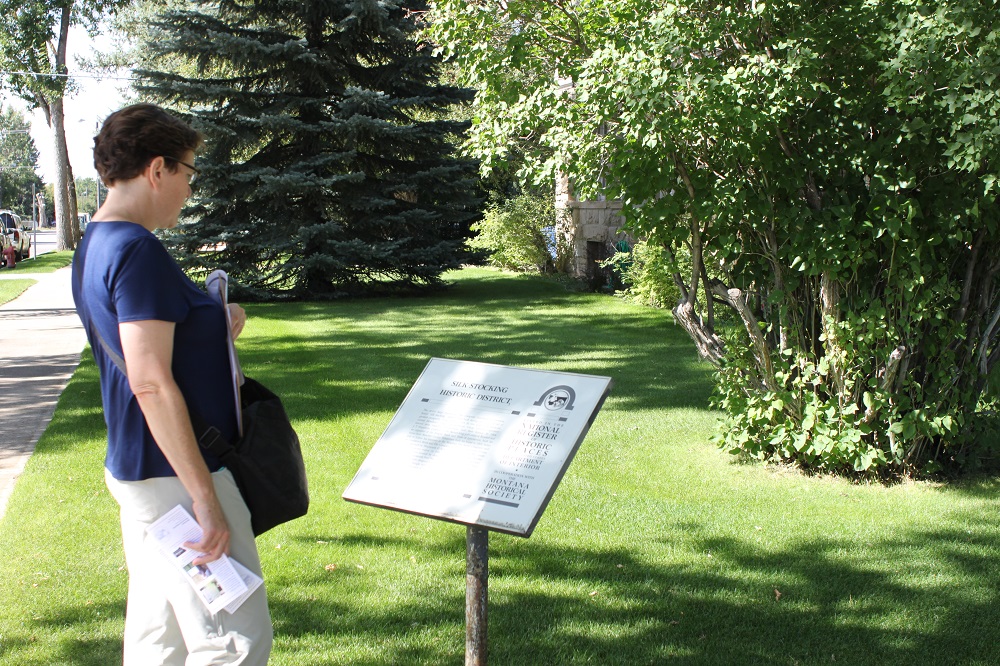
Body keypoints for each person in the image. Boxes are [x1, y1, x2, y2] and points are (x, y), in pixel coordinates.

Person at [71, 103, 272, 665]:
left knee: (159, 638)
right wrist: (205, 500)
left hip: (139, 471)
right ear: (157, 169)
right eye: (187, 172)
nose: (189, 187)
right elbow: (150, 380)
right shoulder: (136, 250)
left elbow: (150, 339)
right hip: (177, 479)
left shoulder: (96, 243)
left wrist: (216, 319)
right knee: (233, 641)